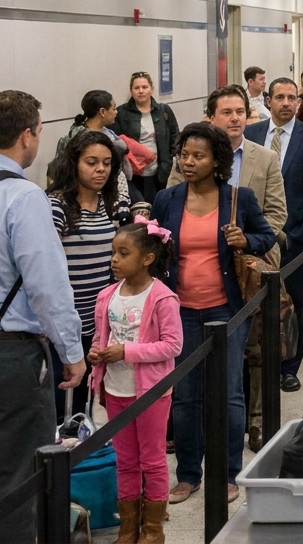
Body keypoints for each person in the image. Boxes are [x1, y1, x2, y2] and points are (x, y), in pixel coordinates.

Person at [152, 122, 276, 506]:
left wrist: (246, 239)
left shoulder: (239, 198)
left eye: (198, 156)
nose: (188, 162)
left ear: (217, 161)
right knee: (186, 396)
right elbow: (156, 247)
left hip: (227, 309)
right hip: (180, 310)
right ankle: (189, 474)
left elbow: (266, 236)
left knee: (229, 394)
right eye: (184, 155)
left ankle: (228, 472)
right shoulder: (168, 198)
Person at [175, 85, 287, 452]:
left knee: (250, 359)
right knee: (189, 383)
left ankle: (253, 425)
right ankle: (195, 448)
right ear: (212, 117)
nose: (237, 117)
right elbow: (172, 215)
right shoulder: (185, 166)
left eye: (241, 111)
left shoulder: (264, 158)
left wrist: (249, 244)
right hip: (192, 288)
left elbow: (275, 216)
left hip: (248, 274)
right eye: (227, 112)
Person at [0, 91, 86, 542]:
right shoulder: (23, 198)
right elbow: (47, 287)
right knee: (19, 472)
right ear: (27, 135)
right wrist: (72, 351)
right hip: (12, 357)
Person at [89, 220, 181, 544]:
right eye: (113, 252)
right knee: (125, 461)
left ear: (147, 258)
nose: (114, 259)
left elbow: (173, 345)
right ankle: (128, 528)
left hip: (151, 393)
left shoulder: (162, 298)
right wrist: (97, 353)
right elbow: (103, 336)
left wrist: (125, 351)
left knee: (152, 461)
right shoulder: (107, 296)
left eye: (123, 253)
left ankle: (153, 530)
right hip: (115, 390)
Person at [244, 78, 303, 393]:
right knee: (254, 301)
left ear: (298, 102)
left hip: (295, 236)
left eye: (291, 97)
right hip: (254, 236)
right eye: (279, 97)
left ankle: (288, 368)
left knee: (293, 301)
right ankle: (256, 363)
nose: (286, 102)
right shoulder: (251, 134)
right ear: (268, 100)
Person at [47, 130, 131, 420]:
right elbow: (47, 266)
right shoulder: (57, 205)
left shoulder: (111, 205)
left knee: (85, 403)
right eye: (92, 162)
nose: (101, 170)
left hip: (97, 321)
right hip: (63, 322)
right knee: (60, 404)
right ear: (74, 164)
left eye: (107, 163)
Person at [117, 72, 179, 204]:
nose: (141, 91)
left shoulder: (164, 111)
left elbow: (175, 137)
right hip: (134, 174)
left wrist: (170, 160)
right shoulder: (122, 113)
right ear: (131, 90)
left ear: (152, 89)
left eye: (144, 87)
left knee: (161, 205)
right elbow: (117, 143)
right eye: (136, 88)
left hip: (161, 171)